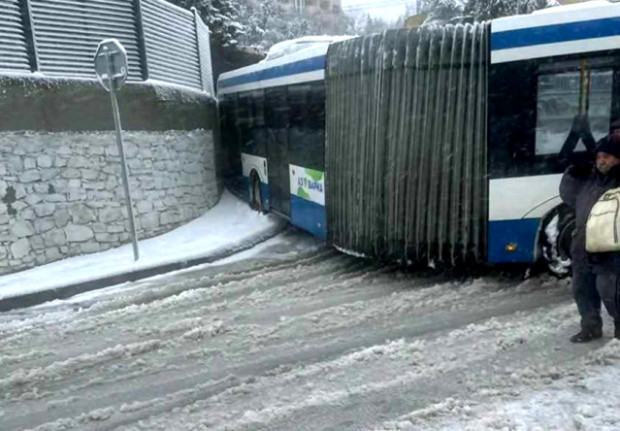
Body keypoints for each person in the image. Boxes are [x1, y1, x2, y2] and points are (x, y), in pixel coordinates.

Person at [560, 122, 620, 343]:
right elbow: (567, 196)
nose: (602, 160)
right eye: (600, 156)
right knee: (582, 289)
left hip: (611, 246)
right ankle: (590, 326)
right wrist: (572, 174)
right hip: (583, 243)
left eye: (608, 157)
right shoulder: (588, 178)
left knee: (610, 291)